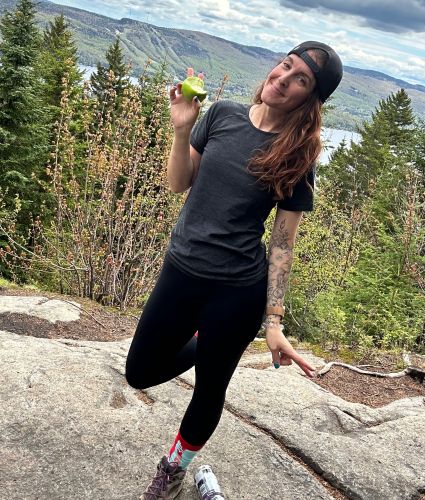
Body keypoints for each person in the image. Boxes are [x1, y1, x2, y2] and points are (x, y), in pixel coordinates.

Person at [125, 41, 343, 499]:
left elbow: (282, 243)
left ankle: (173, 469)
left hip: (237, 292)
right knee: (140, 372)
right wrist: (182, 129)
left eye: (300, 79)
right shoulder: (222, 115)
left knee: (209, 391)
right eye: (286, 65)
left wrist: (273, 322)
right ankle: (204, 342)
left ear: (310, 99)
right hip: (182, 270)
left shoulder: (298, 155)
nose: (283, 79)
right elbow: (178, 183)